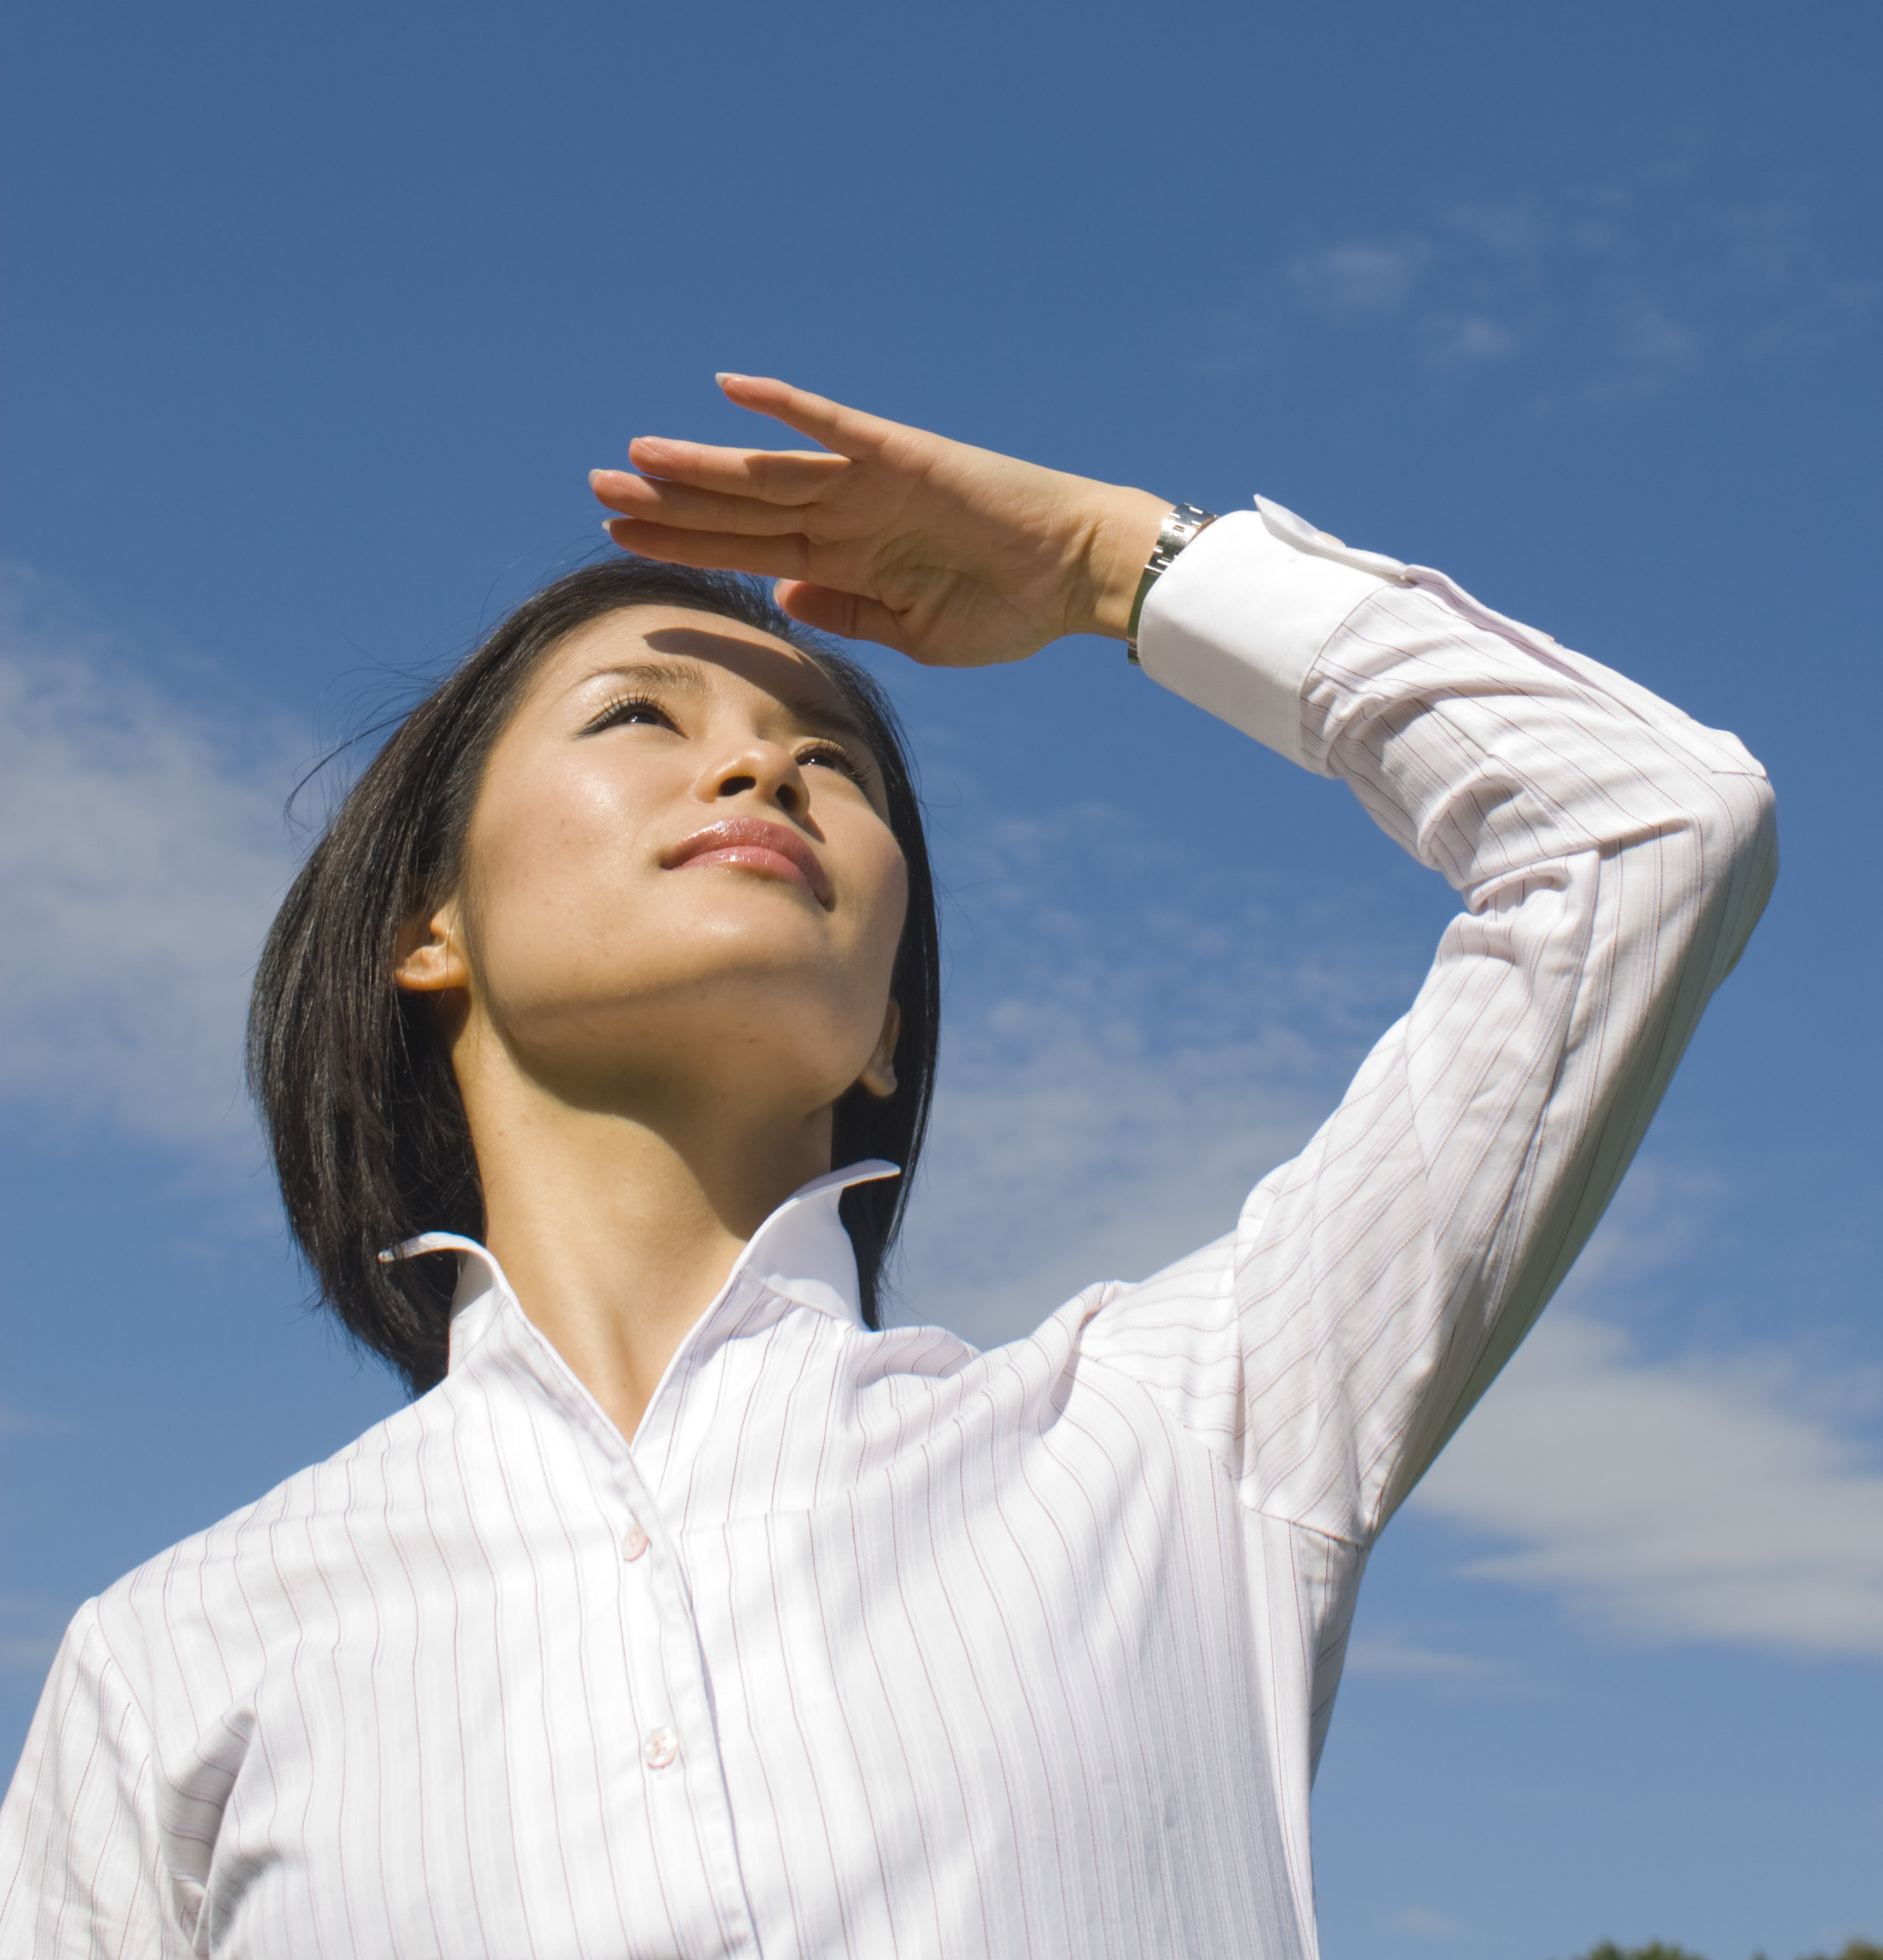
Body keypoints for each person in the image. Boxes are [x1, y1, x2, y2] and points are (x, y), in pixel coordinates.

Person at [0, 376, 1778, 1959]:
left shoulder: (1185, 1435)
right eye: (640, 717)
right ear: (427, 925)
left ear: (891, 1037)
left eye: (835, 762)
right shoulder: (174, 1659)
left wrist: (1115, 567)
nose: (763, 755)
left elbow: (1644, 825)